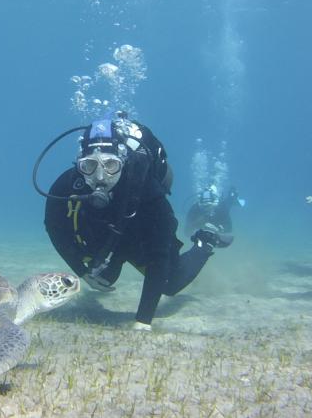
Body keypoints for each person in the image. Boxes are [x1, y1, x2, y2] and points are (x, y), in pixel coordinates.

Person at [40, 113, 230, 331]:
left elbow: (158, 256)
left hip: (141, 239)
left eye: (110, 165)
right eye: (89, 166)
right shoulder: (67, 185)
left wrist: (143, 320)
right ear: (79, 164)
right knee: (103, 277)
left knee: (170, 284)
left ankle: (205, 241)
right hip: (110, 239)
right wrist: (80, 270)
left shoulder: (149, 193)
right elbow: (53, 226)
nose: (100, 177)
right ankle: (113, 258)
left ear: (122, 161)